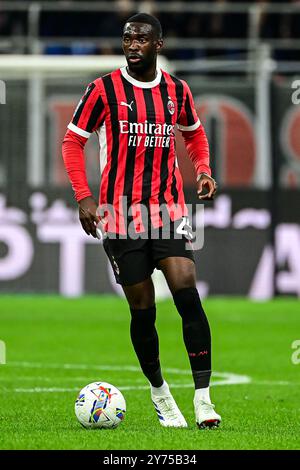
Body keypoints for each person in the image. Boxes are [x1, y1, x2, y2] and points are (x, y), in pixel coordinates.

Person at [62, 12, 221, 429]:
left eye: (141, 39)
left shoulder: (176, 90)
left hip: (167, 209)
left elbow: (195, 133)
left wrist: (202, 169)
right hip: (119, 215)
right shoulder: (103, 90)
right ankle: (161, 394)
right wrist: (84, 198)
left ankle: (203, 398)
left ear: (158, 45)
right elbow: (72, 141)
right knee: (143, 310)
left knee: (187, 291)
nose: (132, 45)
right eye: (127, 38)